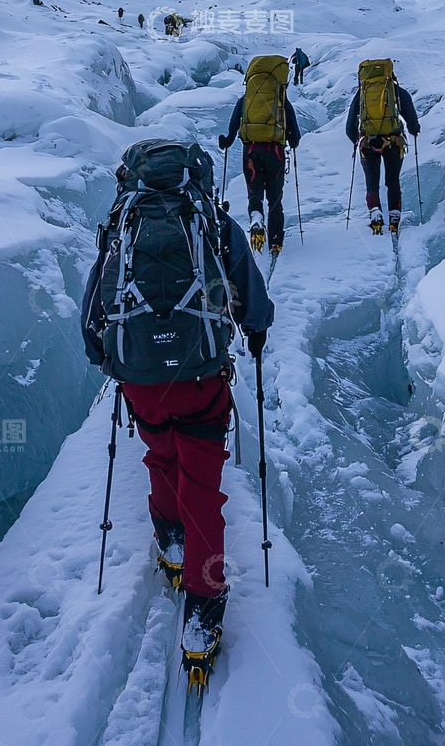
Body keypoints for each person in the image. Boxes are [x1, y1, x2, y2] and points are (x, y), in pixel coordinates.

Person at [81, 140, 273, 687]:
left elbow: (97, 294)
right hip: (200, 375)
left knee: (159, 450)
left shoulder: (126, 221)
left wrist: (106, 356)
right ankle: (204, 605)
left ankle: (170, 538)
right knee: (203, 487)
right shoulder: (209, 218)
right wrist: (255, 330)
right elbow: (247, 290)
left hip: (141, 377)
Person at [218, 55, 301, 258]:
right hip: (275, 153)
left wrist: (226, 141)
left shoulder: (246, 99)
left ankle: (256, 219)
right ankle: (275, 241)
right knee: (275, 197)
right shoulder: (281, 100)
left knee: (254, 193)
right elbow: (295, 136)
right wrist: (291, 141)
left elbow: (231, 132)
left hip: (251, 152)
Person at [345, 58, 420, 235]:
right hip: (394, 142)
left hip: (368, 143)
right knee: (392, 180)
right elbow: (412, 122)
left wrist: (356, 138)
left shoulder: (362, 95)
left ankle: (375, 214)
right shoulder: (397, 92)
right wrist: (413, 130)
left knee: (372, 183)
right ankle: (394, 215)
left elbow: (349, 126)